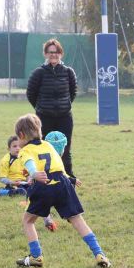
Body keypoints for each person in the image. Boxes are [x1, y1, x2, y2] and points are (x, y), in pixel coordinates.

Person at [13, 114, 110, 268]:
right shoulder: (48, 145)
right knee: (77, 219)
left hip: (43, 184)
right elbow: (59, 167)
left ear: (21, 135)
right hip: (62, 184)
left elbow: (29, 162)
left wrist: (33, 173)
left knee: (28, 221)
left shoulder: (25, 150)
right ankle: (100, 254)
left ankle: (36, 256)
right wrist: (70, 180)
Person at [26, 38, 78, 179]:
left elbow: (72, 92)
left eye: (56, 52)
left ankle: (68, 176)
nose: (53, 55)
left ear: (60, 53)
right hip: (44, 117)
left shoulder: (68, 72)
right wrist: (42, 107)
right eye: (50, 52)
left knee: (65, 148)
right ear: (46, 54)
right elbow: (31, 93)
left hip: (64, 117)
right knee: (45, 147)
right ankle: (47, 176)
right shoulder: (39, 73)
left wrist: (64, 105)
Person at [0, 135, 58, 231]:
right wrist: (12, 182)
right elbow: (2, 178)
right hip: (13, 185)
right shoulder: (5, 160)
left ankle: (47, 219)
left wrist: (29, 179)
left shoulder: (25, 157)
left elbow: (29, 172)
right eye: (14, 146)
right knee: (20, 191)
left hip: (26, 183)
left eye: (19, 146)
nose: (17, 148)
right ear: (8, 148)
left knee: (36, 192)